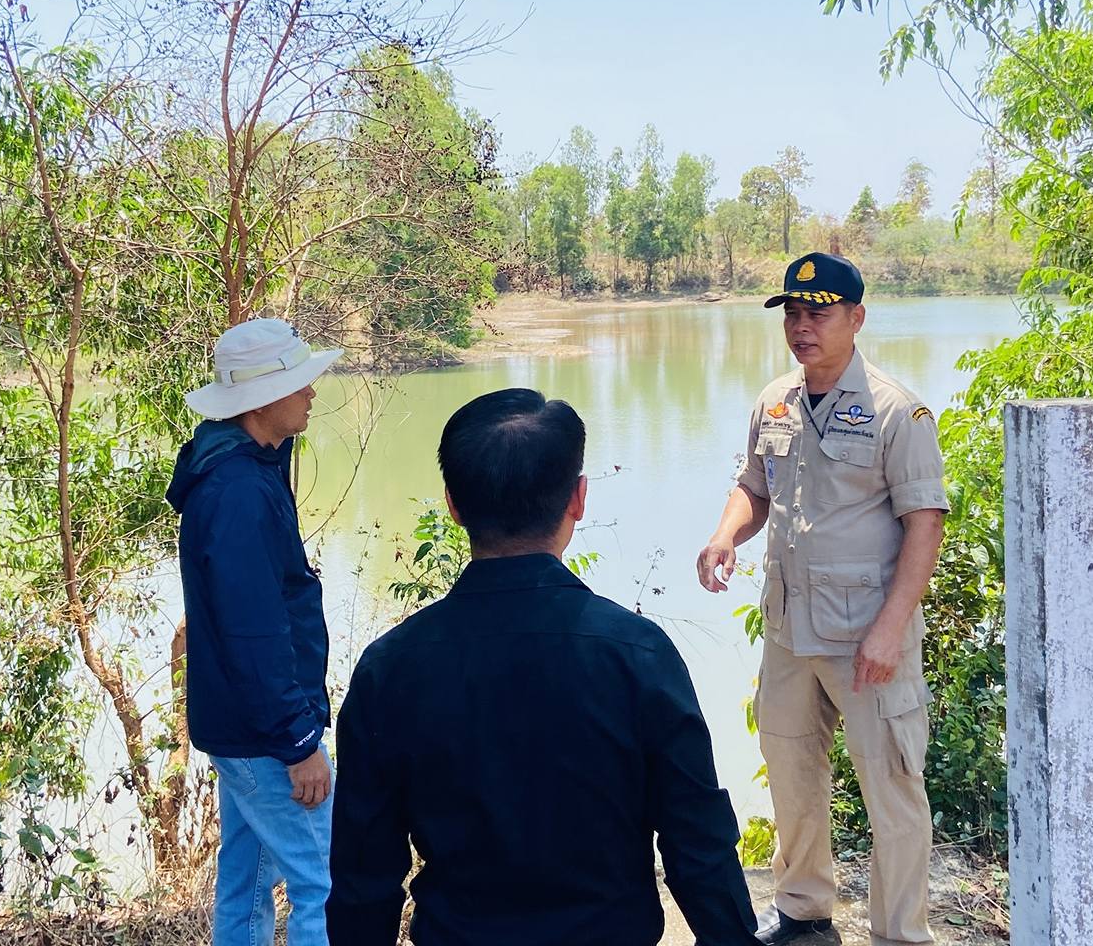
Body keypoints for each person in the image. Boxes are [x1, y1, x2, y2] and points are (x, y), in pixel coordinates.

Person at [326, 388, 761, 946]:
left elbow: (365, 873)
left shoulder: (390, 669)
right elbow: (697, 841)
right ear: (579, 499)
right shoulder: (637, 655)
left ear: (453, 504)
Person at [697, 253, 948, 946]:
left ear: (856, 318)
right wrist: (725, 536)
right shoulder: (775, 401)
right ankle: (805, 908)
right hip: (789, 632)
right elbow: (755, 487)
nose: (803, 328)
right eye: (795, 314)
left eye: (820, 313)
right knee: (791, 776)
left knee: (893, 791)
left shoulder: (898, 411)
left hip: (868, 637)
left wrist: (891, 629)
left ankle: (901, 933)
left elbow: (924, 521)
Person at [166, 317, 342, 946]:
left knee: (242, 883)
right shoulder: (239, 492)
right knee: (322, 883)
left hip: (240, 728)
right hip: (264, 734)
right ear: (265, 398)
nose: (312, 394)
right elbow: (255, 630)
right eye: (301, 384)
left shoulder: (244, 469)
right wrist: (298, 742)